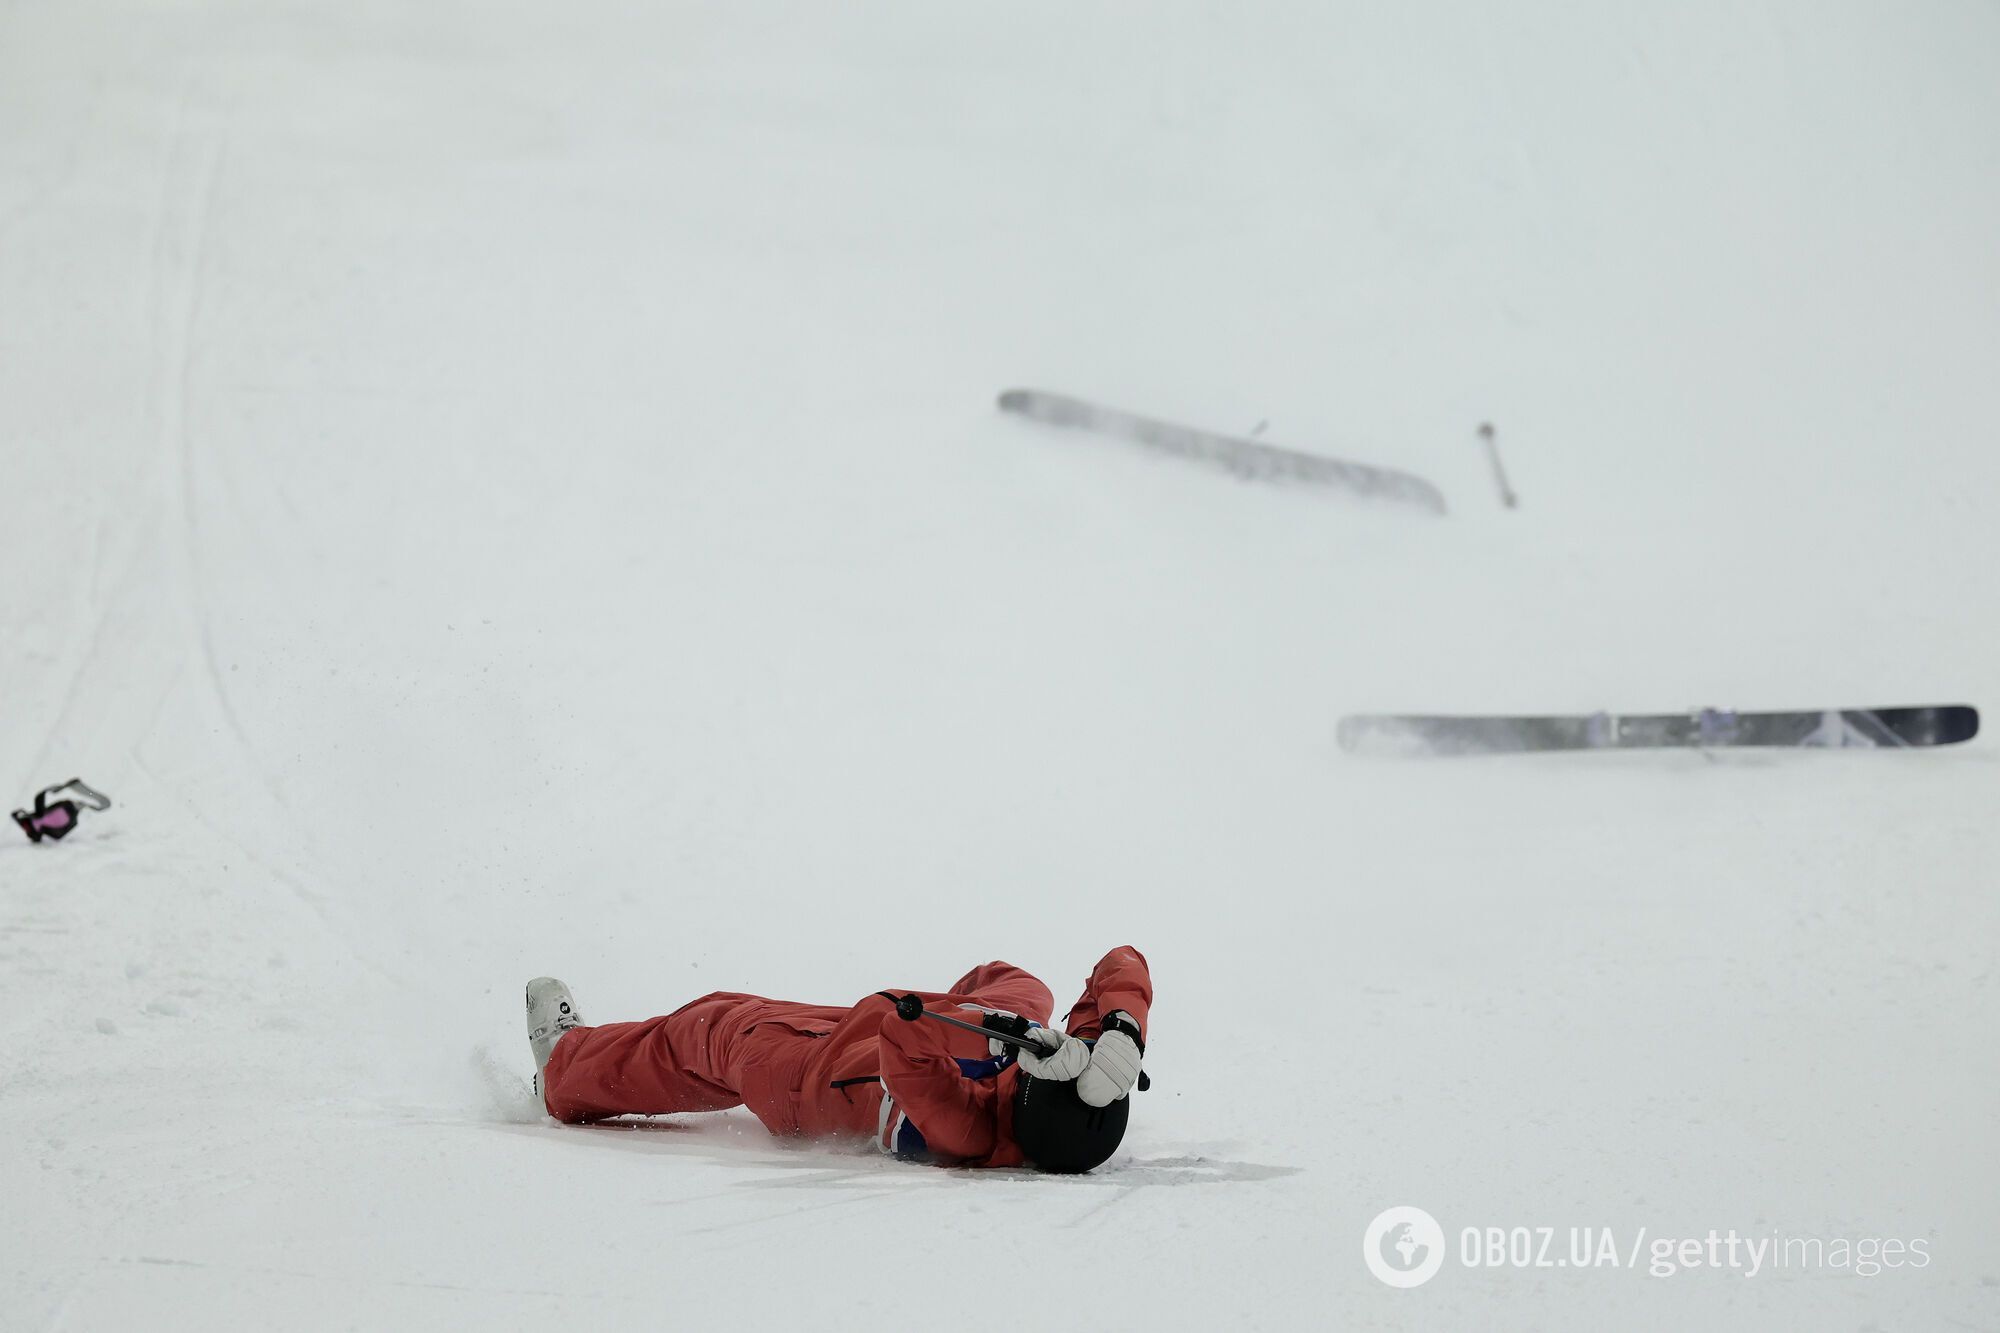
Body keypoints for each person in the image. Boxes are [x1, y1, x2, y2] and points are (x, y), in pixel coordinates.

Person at [525, 946, 1151, 1173]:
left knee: (710, 1026)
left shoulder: (965, 1127)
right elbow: (1122, 960)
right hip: (866, 1033)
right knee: (1023, 985)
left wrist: (997, 1034)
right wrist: (1123, 1029)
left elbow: (909, 1045)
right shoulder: (1065, 1095)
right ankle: (966, 1005)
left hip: (808, 1082)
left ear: (1026, 1094)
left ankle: (562, 1073)